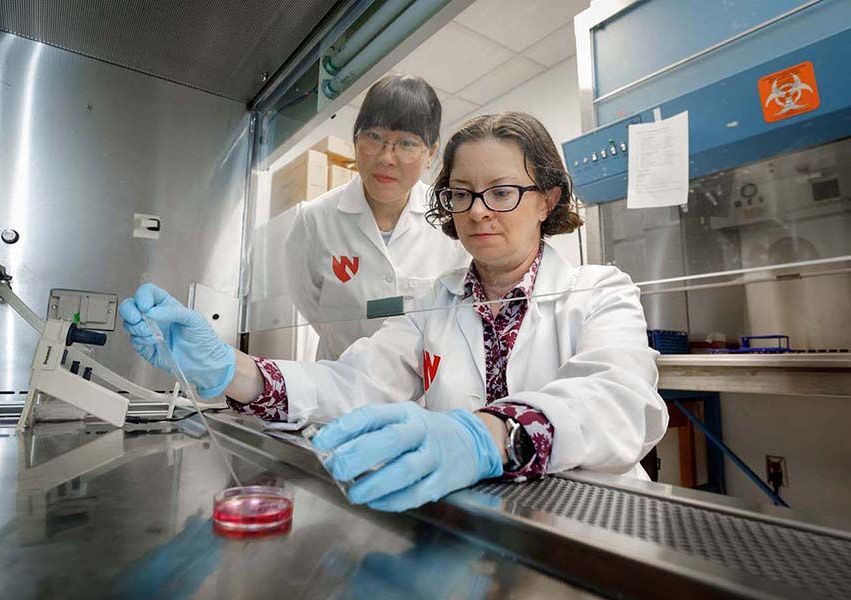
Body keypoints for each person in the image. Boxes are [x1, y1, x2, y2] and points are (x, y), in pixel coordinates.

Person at [119, 112, 668, 512]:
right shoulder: (437, 301)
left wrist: (487, 435)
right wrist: (229, 368)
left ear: (546, 199)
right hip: (482, 527)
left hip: (594, 527)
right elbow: (355, 381)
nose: (477, 213)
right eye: (461, 193)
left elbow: (618, 400)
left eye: (501, 192)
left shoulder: (599, 290)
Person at [285, 73, 470, 360]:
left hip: (421, 397)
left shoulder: (450, 220)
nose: (386, 157)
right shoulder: (315, 221)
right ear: (356, 140)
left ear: (431, 153)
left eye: (407, 144)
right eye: (374, 137)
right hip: (340, 386)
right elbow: (309, 305)